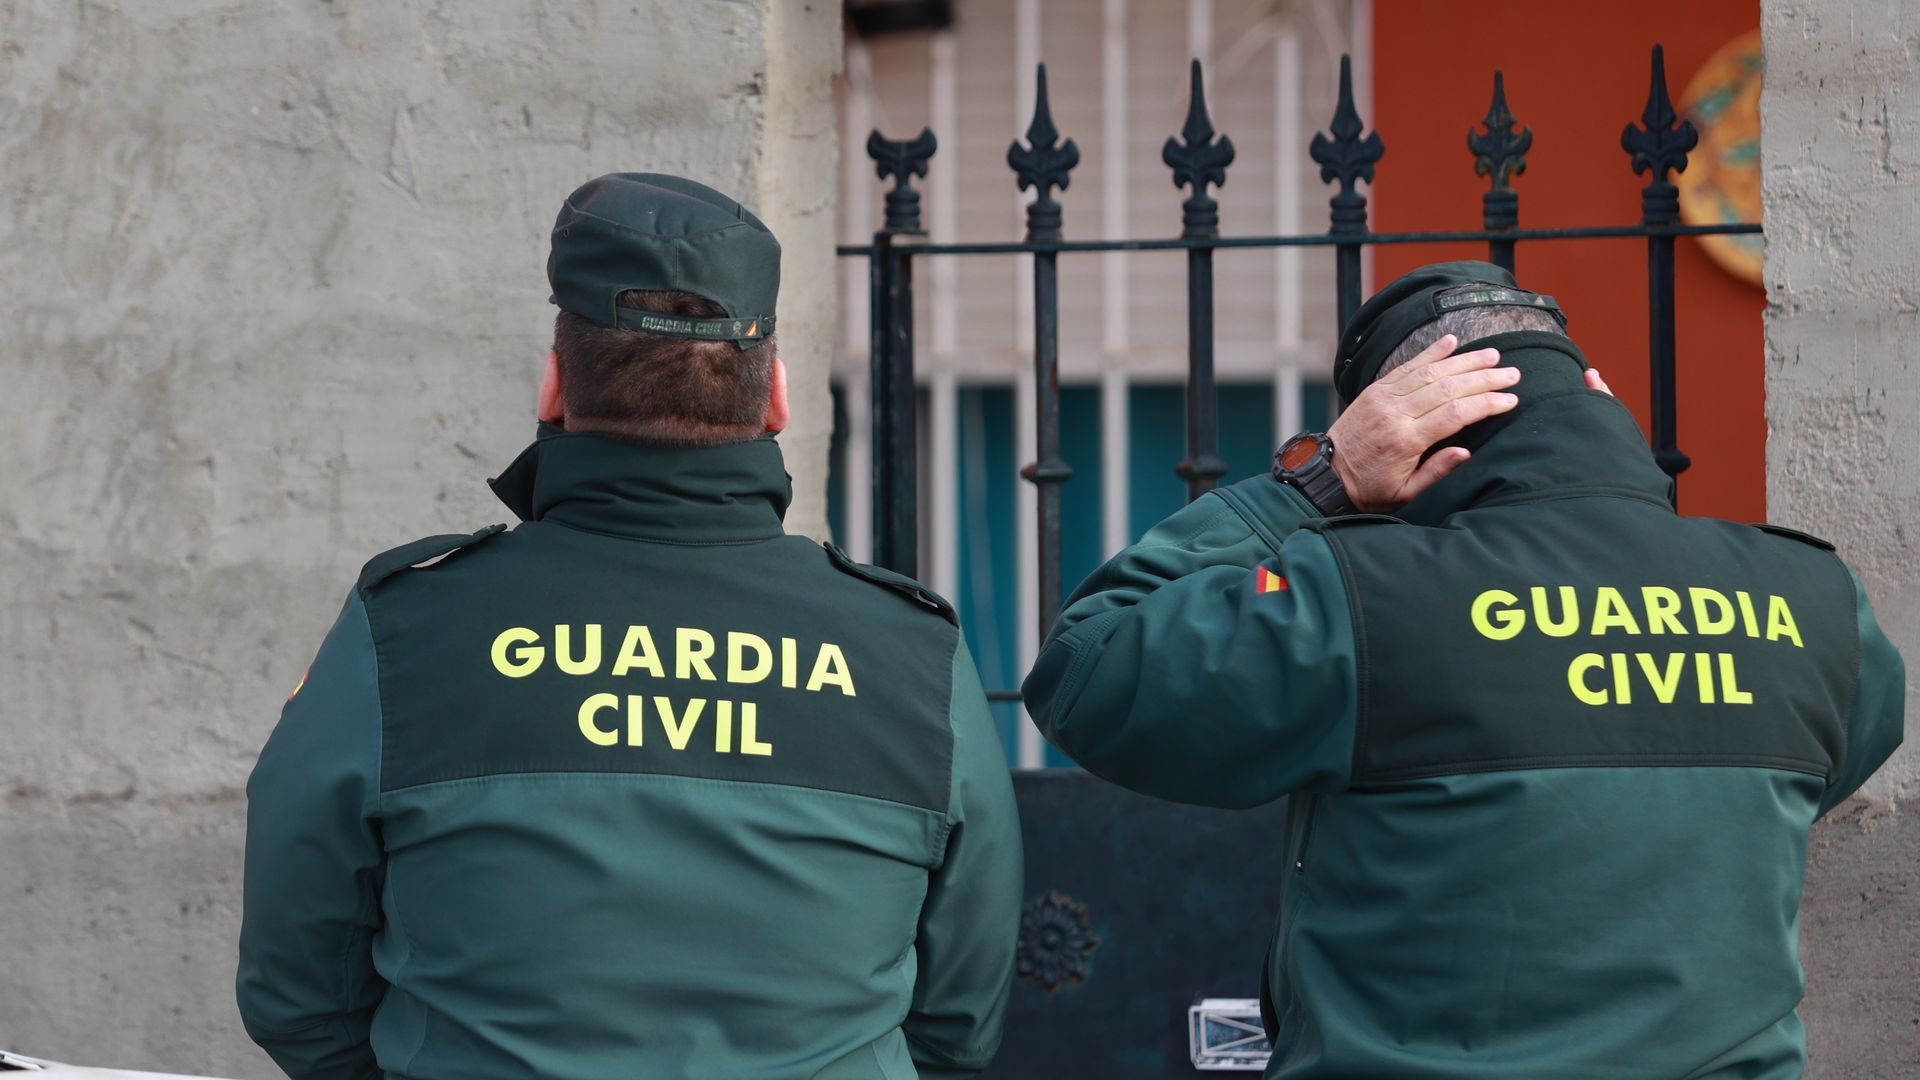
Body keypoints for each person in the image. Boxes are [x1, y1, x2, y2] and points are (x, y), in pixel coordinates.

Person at [1023, 260, 1905, 1079]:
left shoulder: (1365, 598)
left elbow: (1086, 670)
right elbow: (1835, 757)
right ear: (1598, 395)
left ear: (1409, 439)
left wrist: (1318, 485)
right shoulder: (1813, 600)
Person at [236, 173, 1023, 1079]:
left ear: (554, 387)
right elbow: (959, 1022)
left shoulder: (406, 627)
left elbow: (299, 993)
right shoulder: (911, 651)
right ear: (774, 400)